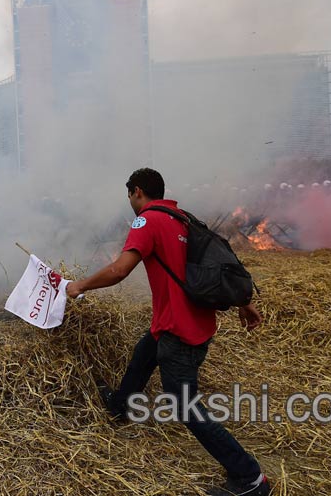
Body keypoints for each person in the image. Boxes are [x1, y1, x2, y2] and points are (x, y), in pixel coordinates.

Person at [65, 168, 269, 496]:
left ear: (137, 191)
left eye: (130, 195)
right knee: (145, 354)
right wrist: (244, 303)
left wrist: (80, 285)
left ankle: (249, 478)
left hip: (179, 331)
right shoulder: (181, 217)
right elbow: (215, 262)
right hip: (186, 322)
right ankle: (121, 405)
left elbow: (120, 270)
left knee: (184, 404)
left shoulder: (147, 221)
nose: (130, 202)